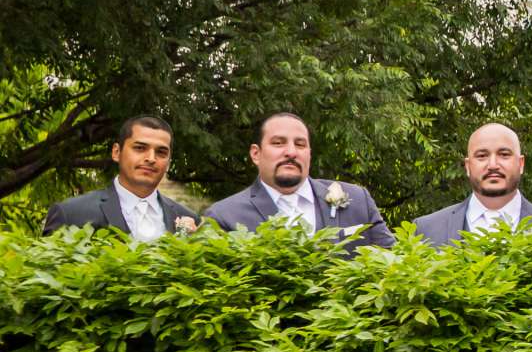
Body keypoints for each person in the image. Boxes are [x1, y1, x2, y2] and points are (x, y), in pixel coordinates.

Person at [205, 112, 396, 249]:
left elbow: (393, 263)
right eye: (278, 143)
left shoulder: (358, 200)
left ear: (309, 154)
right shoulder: (224, 216)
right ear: (256, 154)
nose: (291, 152)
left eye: (300, 144)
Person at [409, 123, 532, 246]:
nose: (493, 165)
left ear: (521, 164)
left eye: (504, 154)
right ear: (468, 166)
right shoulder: (426, 230)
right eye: (482, 156)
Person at [42, 115, 202, 239]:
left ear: (168, 162)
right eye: (140, 148)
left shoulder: (189, 218)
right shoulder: (70, 214)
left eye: (161, 152)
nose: (151, 158)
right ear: (116, 152)